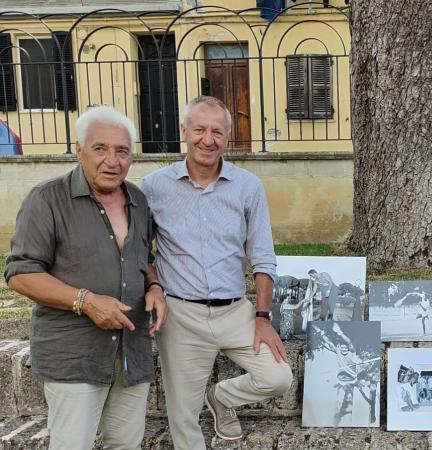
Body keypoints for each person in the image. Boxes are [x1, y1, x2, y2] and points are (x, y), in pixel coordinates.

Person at [4, 106, 167, 450]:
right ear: (78, 150)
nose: (112, 160)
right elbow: (20, 273)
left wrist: (154, 287)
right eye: (100, 148)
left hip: (130, 353)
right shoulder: (47, 199)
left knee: (125, 446)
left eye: (122, 151)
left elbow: (145, 258)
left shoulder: (138, 200)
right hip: (74, 356)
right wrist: (86, 301)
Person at [142, 96, 292, 449]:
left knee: (278, 377)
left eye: (217, 131)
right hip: (181, 316)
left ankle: (222, 397)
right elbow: (139, 251)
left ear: (227, 137)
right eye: (199, 129)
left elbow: (263, 257)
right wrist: (154, 286)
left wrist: (262, 317)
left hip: (235, 311)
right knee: (183, 420)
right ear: (183, 132)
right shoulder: (153, 187)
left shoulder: (248, 186)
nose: (207, 139)